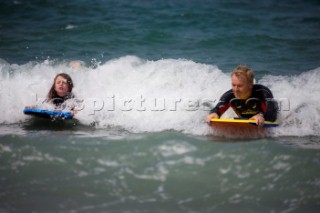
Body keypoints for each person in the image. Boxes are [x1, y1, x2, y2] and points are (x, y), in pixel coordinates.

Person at [205, 65, 278, 126]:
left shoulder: (262, 92)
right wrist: (214, 113)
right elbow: (218, 108)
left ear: (250, 84)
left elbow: (272, 115)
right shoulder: (229, 95)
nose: (235, 90)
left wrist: (261, 116)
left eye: (240, 86)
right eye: (233, 85)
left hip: (263, 118)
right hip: (244, 120)